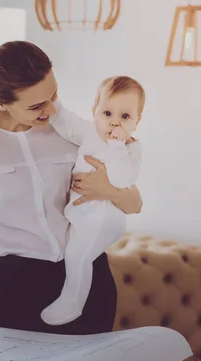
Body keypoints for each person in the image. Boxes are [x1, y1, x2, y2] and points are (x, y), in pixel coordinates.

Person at [0, 41, 143, 342]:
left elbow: (134, 203)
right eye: (36, 105)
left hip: (89, 279)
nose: (50, 110)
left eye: (53, 96)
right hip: (18, 287)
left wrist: (110, 191)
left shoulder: (71, 133)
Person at [40, 76, 145, 326]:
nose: (114, 123)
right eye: (107, 113)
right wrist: (52, 99)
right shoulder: (88, 131)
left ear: (137, 122)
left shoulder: (131, 148)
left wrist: (117, 147)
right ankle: (71, 298)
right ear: (94, 112)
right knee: (73, 250)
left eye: (125, 117)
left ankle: (72, 303)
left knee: (78, 255)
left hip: (105, 217)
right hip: (82, 215)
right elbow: (65, 121)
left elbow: (122, 179)